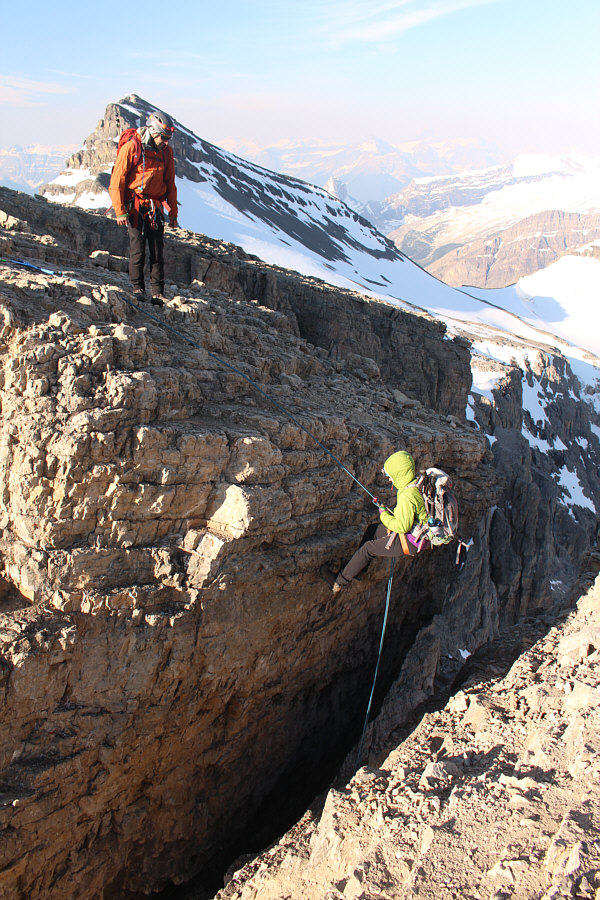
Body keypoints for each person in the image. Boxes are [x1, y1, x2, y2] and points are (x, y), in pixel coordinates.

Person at [320, 450, 428, 593]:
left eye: (391, 476)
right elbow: (409, 515)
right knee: (373, 530)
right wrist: (386, 510)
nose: (390, 479)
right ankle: (359, 568)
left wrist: (383, 514)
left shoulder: (407, 495)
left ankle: (337, 582)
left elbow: (402, 526)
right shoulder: (415, 486)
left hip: (411, 540)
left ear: (399, 474)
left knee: (368, 549)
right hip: (415, 533)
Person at [108, 111, 179, 306]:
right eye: (163, 138)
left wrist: (173, 213)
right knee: (138, 249)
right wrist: (120, 210)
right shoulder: (132, 147)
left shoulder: (166, 152)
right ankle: (138, 288)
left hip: (155, 208)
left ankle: (157, 293)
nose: (166, 142)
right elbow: (117, 180)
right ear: (153, 132)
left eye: (168, 138)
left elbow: (170, 184)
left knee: (157, 251)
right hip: (135, 207)